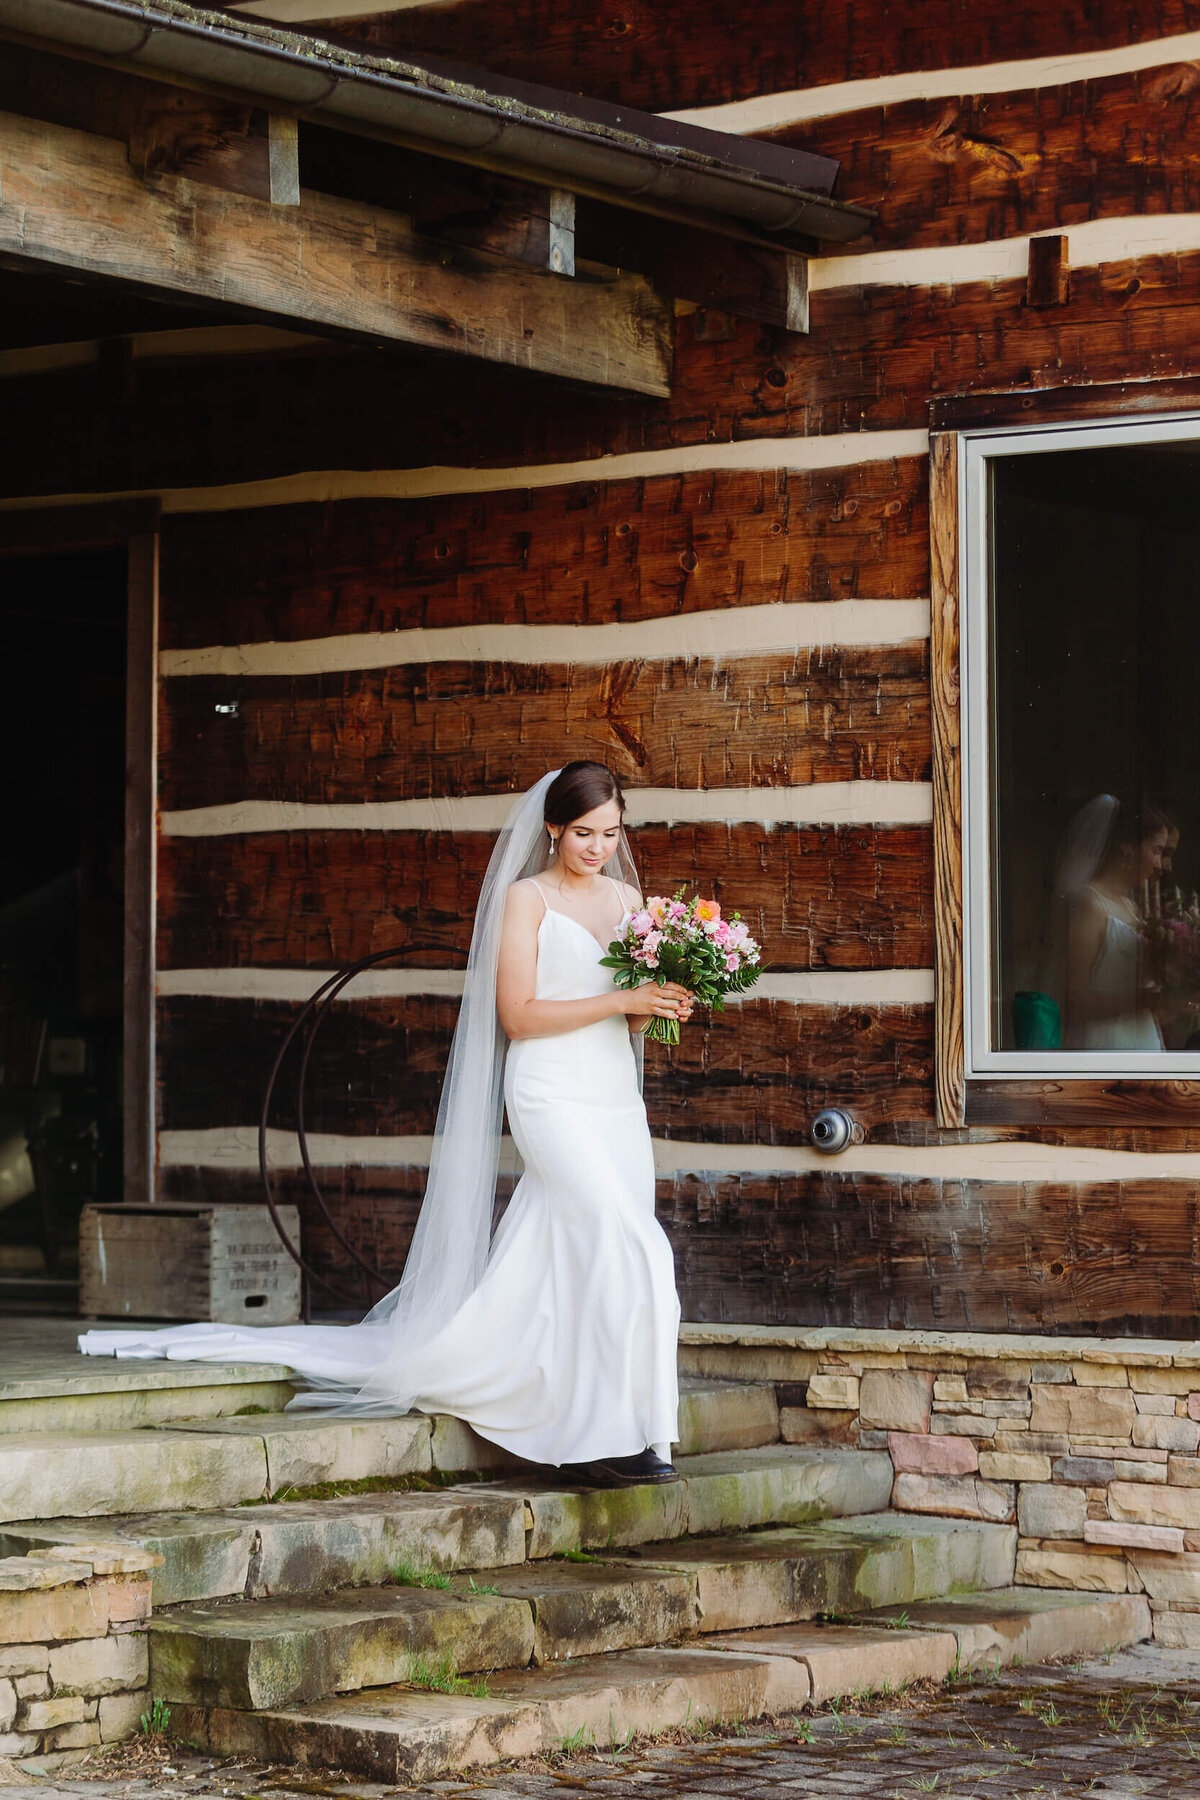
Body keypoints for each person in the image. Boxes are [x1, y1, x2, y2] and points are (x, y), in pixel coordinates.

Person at [79, 764, 693, 1488]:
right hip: (551, 1092)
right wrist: (618, 996)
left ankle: (628, 1425)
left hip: (613, 1097)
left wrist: (662, 1002)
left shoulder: (627, 898)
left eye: (610, 833)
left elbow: (626, 999)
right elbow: (519, 1015)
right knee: (635, 1246)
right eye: (583, 833)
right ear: (553, 827)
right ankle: (591, 1438)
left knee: (568, 1249)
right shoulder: (525, 900)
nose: (597, 847)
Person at [1053, 794, 1175, 1052]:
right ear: (1127, 848)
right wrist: (1142, 1002)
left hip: (1142, 1042)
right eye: (1157, 851)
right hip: (1105, 1047)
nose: (1161, 864)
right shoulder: (1089, 903)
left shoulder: (1131, 907)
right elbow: (1073, 1000)